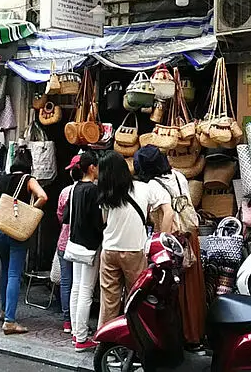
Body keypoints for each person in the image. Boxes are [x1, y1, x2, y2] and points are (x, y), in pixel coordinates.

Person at [134, 145, 206, 350]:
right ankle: (196, 334)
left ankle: (183, 337)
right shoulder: (178, 176)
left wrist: (162, 243)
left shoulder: (153, 186)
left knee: (175, 291)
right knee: (193, 288)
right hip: (190, 237)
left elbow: (169, 214)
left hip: (174, 241)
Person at [96, 151, 174, 328]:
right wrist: (162, 239)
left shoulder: (106, 193)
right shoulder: (144, 188)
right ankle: (133, 337)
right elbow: (168, 211)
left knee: (109, 300)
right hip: (134, 251)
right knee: (135, 298)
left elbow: (104, 221)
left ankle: (106, 339)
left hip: (109, 250)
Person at [0, 147, 47, 335]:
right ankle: (10, 321)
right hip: (17, 230)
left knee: (6, 270)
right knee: (15, 273)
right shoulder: (28, 180)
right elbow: (43, 196)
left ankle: (3, 310)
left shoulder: (1, 179)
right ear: (29, 165)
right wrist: (30, 209)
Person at [63, 151, 104, 352]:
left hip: (75, 243)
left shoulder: (75, 189)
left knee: (76, 288)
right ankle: (81, 337)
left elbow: (65, 218)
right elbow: (97, 223)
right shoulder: (93, 191)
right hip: (89, 246)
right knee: (86, 290)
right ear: (91, 168)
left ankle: (75, 332)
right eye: (96, 166)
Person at [56, 155, 80, 335]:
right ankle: (79, 321)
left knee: (67, 282)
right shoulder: (92, 191)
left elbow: (59, 215)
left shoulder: (65, 192)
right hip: (82, 243)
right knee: (81, 284)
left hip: (64, 241)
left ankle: (67, 321)